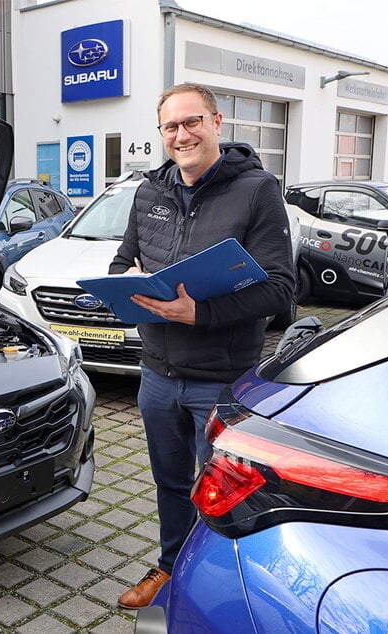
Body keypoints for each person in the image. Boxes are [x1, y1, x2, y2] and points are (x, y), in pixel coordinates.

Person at [110, 82, 295, 609]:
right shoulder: (149, 192)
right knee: (171, 485)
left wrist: (202, 312)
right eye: (171, 126)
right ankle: (170, 570)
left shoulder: (257, 190)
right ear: (162, 134)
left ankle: (222, 590)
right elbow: (122, 264)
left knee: (226, 495)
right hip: (156, 376)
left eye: (192, 122)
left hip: (220, 378)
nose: (182, 134)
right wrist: (126, 280)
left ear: (216, 123)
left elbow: (281, 289)